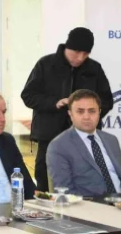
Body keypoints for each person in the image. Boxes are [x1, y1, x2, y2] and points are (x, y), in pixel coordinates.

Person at [21, 27, 113, 192]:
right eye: (76, 52)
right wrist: (54, 103)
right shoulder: (45, 64)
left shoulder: (94, 69)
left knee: (85, 184)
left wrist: (86, 114)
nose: (80, 58)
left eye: (85, 54)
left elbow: (106, 101)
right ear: (67, 47)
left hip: (85, 139)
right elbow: (28, 95)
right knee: (46, 184)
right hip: (49, 137)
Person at [47, 90, 121, 196]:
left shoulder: (111, 140)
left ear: (99, 112)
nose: (86, 117)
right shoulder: (59, 146)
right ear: (70, 114)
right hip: (89, 204)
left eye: (92, 111)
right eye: (80, 111)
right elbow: (65, 192)